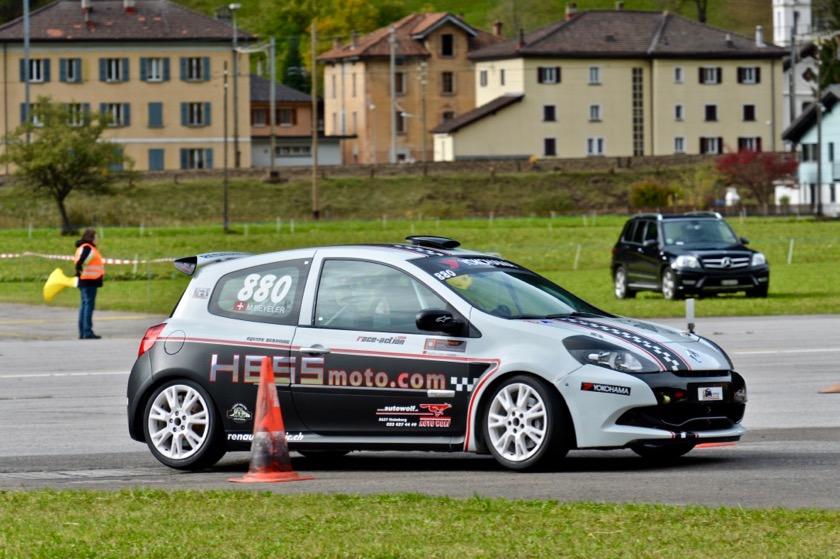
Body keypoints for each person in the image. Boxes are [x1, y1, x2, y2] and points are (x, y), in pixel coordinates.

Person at [74, 228, 104, 339]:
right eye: (96, 237)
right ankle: (87, 331)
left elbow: (80, 262)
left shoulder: (82, 247)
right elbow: (81, 261)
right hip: (89, 281)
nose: (97, 239)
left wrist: (78, 271)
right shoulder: (88, 248)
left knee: (84, 305)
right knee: (88, 306)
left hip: (84, 280)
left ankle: (83, 331)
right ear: (91, 238)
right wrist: (78, 268)